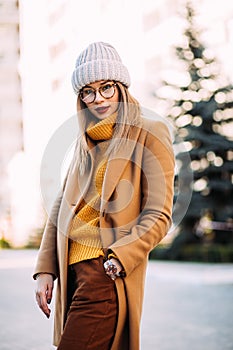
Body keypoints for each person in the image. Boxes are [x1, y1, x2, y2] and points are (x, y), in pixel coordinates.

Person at [34, 41, 175, 350]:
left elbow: (159, 214)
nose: (98, 99)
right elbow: (61, 204)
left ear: (121, 87)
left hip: (105, 271)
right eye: (88, 91)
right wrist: (46, 269)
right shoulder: (85, 142)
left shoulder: (150, 132)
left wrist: (118, 259)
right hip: (72, 272)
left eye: (106, 87)